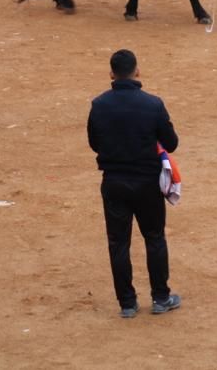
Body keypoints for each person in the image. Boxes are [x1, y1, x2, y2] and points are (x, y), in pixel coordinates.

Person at [87, 49, 181, 317]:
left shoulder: (99, 105)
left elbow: (94, 143)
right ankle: (160, 297)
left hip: (114, 182)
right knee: (154, 237)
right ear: (137, 71)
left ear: (111, 74)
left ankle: (127, 303)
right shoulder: (153, 104)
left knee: (118, 243)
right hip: (147, 182)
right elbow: (171, 143)